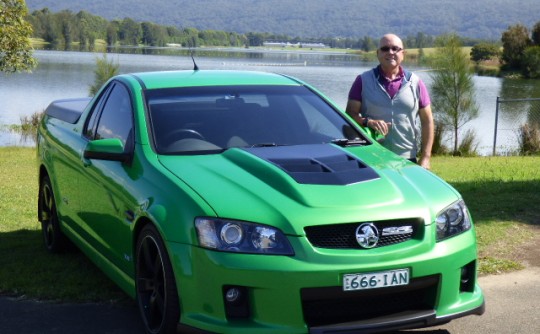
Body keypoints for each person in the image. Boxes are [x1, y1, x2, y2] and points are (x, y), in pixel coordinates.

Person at [346, 33, 434, 169]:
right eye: (385, 49)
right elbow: (349, 115)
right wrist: (368, 122)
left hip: (407, 159)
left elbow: (427, 121)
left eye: (395, 48)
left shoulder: (415, 82)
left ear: (403, 53)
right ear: (377, 53)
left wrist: (426, 157)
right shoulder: (362, 81)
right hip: (372, 158)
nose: (390, 52)